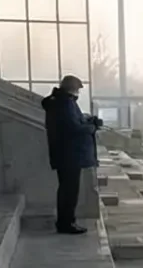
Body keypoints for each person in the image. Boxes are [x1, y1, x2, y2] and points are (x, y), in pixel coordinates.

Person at [39, 75, 103, 234]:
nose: (78, 93)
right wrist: (92, 127)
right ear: (72, 88)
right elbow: (73, 128)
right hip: (70, 154)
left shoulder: (58, 102)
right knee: (69, 191)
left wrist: (87, 120)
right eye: (78, 89)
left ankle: (66, 221)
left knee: (66, 190)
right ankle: (66, 223)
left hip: (64, 153)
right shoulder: (65, 103)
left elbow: (72, 123)